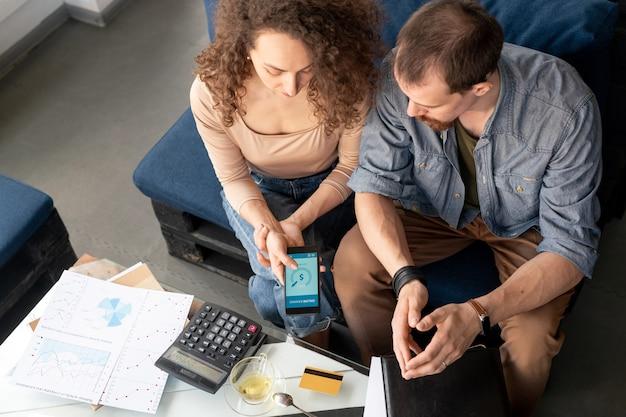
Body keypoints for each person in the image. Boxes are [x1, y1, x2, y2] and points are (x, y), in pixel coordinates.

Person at [333, 0, 601, 415]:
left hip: (527, 228)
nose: (410, 111)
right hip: (432, 209)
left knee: (531, 347)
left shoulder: (566, 109)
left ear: (479, 88)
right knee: (352, 264)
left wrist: (478, 312)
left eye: (427, 105)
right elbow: (374, 186)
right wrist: (405, 276)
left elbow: (570, 246)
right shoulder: (400, 75)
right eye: (406, 96)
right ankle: (396, 392)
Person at [189, 0, 382, 342]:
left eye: (307, 69)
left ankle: (310, 351)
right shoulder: (211, 92)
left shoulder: (348, 81)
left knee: (275, 289)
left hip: (333, 190)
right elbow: (234, 179)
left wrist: (295, 223)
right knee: (298, 276)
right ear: (245, 47)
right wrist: (268, 225)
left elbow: (350, 167)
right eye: (275, 70)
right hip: (260, 192)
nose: (292, 88)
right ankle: (318, 359)